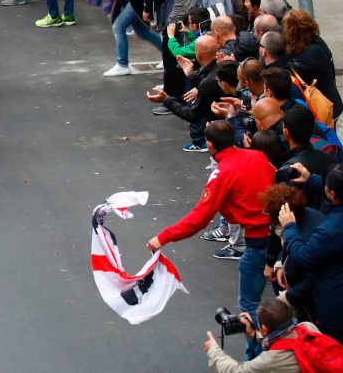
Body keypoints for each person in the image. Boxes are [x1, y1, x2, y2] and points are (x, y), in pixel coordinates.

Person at [147, 120, 275, 359]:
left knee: (249, 306)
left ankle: (255, 360)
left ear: (209, 144)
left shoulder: (222, 174)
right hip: (283, 236)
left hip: (258, 244)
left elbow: (199, 217)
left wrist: (163, 237)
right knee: (288, 299)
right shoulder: (257, 156)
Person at [279, 163, 343, 342]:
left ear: (331, 194)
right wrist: (311, 179)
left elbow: (302, 257)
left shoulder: (331, 230)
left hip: (334, 310)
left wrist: (289, 228)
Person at [202, 299, 322, 372]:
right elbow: (286, 341)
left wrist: (214, 350)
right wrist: (254, 334)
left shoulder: (270, 361)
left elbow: (237, 371)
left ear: (264, 328)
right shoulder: (308, 327)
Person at [282, 9, 343, 121]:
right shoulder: (315, 40)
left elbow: (288, 76)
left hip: (325, 109)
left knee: (327, 136)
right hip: (331, 101)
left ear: (293, 33)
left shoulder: (308, 55)